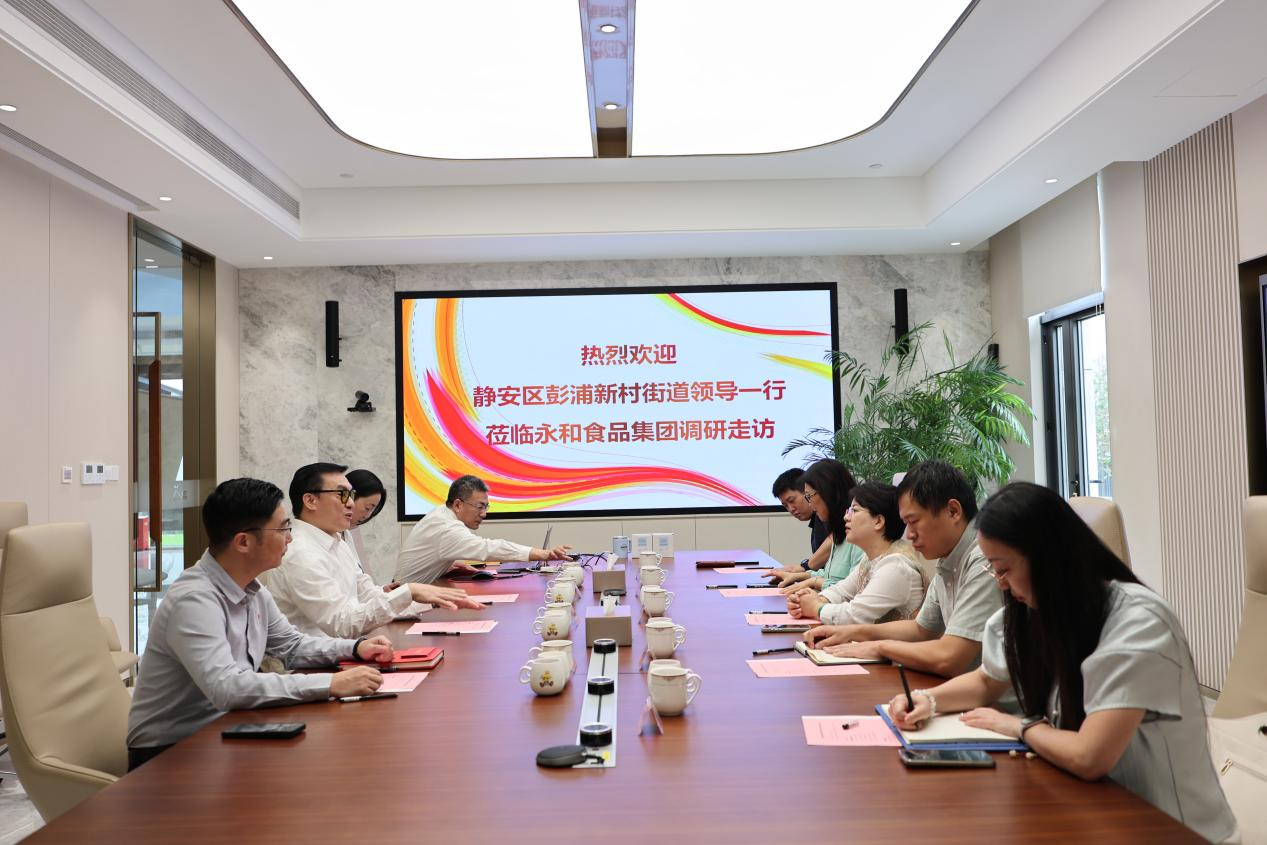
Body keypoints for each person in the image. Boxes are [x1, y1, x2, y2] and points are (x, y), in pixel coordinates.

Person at [886, 483, 1236, 843]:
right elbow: (986, 681)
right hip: (1092, 809)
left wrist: (1020, 727)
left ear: (1047, 558)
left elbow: (1089, 757)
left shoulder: (1138, 622)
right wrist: (927, 700)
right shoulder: (1036, 610)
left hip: (1167, 828)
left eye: (1003, 569)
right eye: (994, 570)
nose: (1001, 584)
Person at [126, 478, 394, 771]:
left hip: (228, 727)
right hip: (169, 753)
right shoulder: (194, 600)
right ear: (243, 542)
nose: (290, 539)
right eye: (283, 529)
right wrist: (330, 684)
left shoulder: (251, 588)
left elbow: (292, 646)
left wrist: (356, 648)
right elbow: (227, 687)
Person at [803, 460, 1000, 678]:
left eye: (914, 521)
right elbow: (921, 629)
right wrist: (849, 632)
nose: (909, 534)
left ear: (953, 511)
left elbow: (950, 658)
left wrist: (880, 647)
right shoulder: (948, 558)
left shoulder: (985, 558)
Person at [262, 463, 484, 639]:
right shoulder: (300, 553)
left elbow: (367, 594)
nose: (351, 504)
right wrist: (409, 592)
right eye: (342, 495)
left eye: (351, 495)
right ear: (310, 500)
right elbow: (342, 624)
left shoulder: (336, 540)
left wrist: (431, 600)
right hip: (314, 667)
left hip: (348, 650)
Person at [788, 482, 925, 625]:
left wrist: (816, 608)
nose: (846, 517)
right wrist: (817, 599)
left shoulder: (896, 566)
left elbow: (856, 615)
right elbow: (842, 591)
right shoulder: (871, 558)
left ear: (878, 521)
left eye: (854, 510)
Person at [394, 474, 573, 584]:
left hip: (415, 593)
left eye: (486, 507)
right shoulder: (446, 528)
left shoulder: (441, 514)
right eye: (479, 507)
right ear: (457, 505)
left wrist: (447, 565)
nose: (484, 514)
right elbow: (487, 548)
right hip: (406, 605)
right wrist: (543, 554)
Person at [765, 468, 832, 588]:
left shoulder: (828, 518)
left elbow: (834, 540)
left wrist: (804, 567)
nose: (791, 509)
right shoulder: (817, 519)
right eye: (785, 505)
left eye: (792, 500)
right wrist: (798, 573)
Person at [345, 468, 387, 572]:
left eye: (372, 510)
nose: (367, 516)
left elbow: (363, 574)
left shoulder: (350, 531)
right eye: (367, 508)